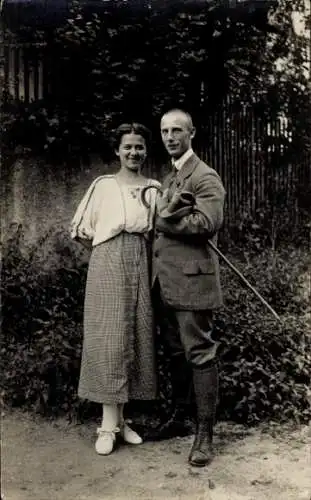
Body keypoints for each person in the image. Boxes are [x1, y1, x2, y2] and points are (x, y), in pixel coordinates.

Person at [70, 123, 160, 456]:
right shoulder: (103, 185)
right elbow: (80, 231)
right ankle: (107, 425)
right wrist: (104, 255)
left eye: (139, 147)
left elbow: (159, 232)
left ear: (146, 151)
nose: (133, 152)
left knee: (134, 336)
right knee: (109, 337)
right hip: (107, 258)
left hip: (140, 258)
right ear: (117, 151)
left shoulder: (154, 188)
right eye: (127, 147)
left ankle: (123, 422)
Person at [152, 108, 226, 467]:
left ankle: (205, 434)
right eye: (165, 130)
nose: (170, 137)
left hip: (193, 281)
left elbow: (206, 223)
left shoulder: (204, 176)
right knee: (175, 351)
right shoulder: (170, 177)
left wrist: (163, 221)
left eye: (177, 130)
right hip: (165, 281)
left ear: (191, 133)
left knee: (199, 352)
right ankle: (179, 418)